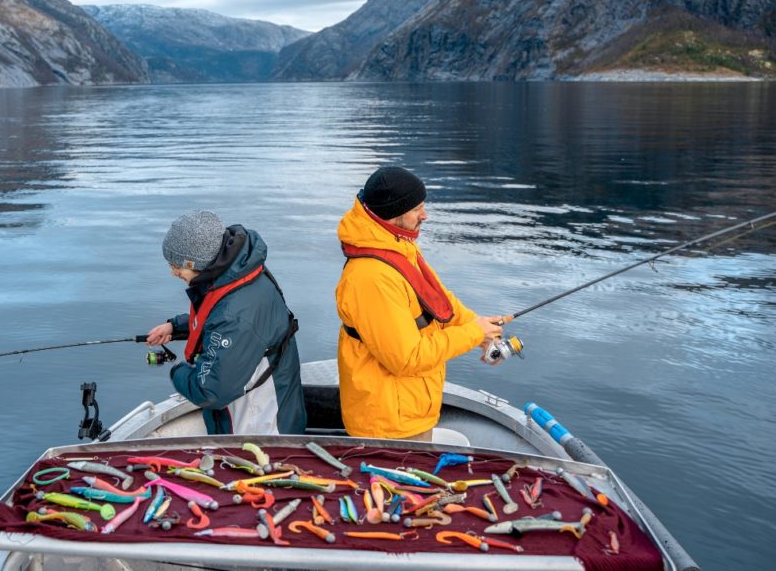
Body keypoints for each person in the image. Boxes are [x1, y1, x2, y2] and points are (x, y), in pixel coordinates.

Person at [335, 166, 510, 441]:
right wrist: (473, 333)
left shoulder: (397, 244)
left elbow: (439, 301)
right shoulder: (371, 277)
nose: (425, 215)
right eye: (417, 208)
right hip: (389, 424)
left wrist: (482, 329)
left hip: (409, 408)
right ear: (395, 213)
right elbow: (407, 358)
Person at [145, 210, 307, 435]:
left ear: (197, 261)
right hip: (273, 409)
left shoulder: (235, 314)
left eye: (177, 266)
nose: (173, 272)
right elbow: (219, 315)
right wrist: (176, 327)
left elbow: (211, 391)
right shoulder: (239, 268)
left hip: (263, 428)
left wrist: (177, 370)